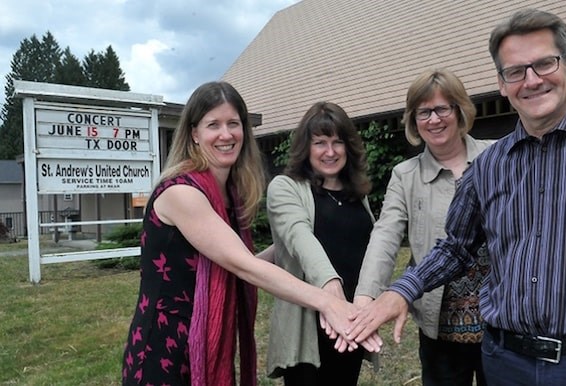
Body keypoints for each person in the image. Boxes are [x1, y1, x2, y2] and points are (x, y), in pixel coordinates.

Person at [347, 8, 566, 386]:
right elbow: (457, 247)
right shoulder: (490, 164)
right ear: (502, 82)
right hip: (504, 362)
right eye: (515, 71)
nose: (531, 80)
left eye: (544, 64)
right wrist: (401, 290)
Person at [121, 82, 379, 386]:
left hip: (208, 337)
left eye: (234, 123)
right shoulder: (183, 192)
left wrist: (288, 243)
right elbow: (244, 265)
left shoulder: (229, 196)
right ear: (194, 133)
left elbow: (234, 261)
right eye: (213, 125)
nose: (226, 134)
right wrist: (328, 301)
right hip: (166, 345)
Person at [353, 68, 494, 386]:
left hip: (500, 325)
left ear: (460, 110)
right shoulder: (405, 175)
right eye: (424, 112)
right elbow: (386, 235)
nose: (434, 119)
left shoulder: (496, 156)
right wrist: (365, 298)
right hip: (439, 327)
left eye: (442, 108)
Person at [265, 101, 378, 386]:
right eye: (320, 143)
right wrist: (332, 294)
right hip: (309, 327)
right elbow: (299, 237)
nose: (330, 151)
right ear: (306, 147)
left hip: (351, 323)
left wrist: (359, 311)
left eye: (338, 142)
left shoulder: (357, 196)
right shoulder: (286, 187)